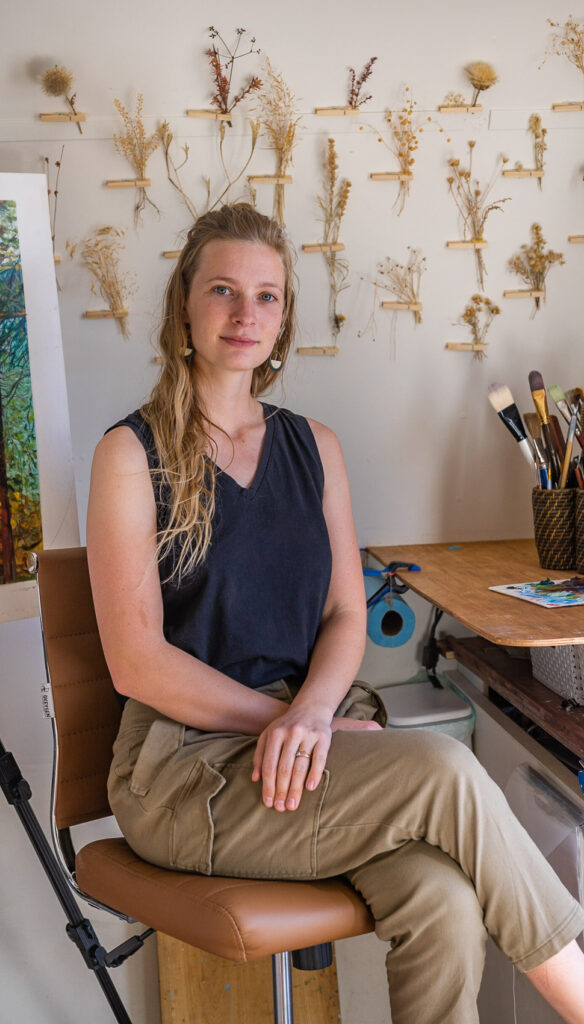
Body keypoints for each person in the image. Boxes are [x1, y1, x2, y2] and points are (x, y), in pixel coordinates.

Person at [87, 203, 584, 1024]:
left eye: (268, 297)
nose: (247, 315)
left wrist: (312, 715)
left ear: (285, 320)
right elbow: (136, 662)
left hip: (310, 742)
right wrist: (286, 721)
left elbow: (347, 615)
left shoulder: (313, 446)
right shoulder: (129, 454)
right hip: (188, 771)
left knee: (443, 898)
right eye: (223, 291)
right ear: (183, 305)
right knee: (445, 772)